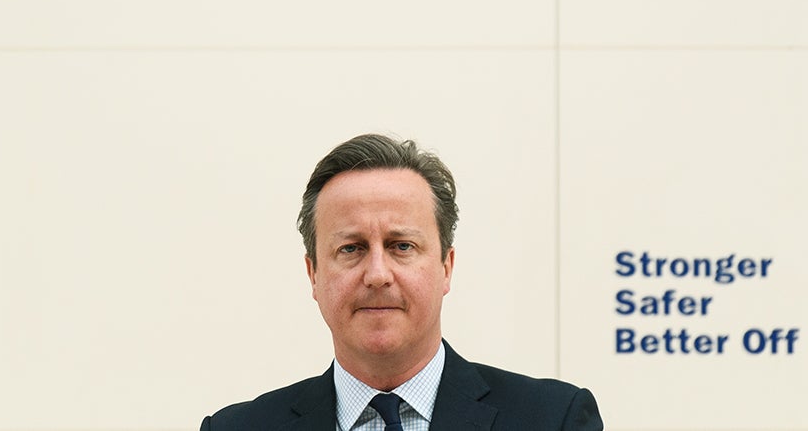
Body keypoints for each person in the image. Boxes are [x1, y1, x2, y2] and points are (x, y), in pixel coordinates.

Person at [201, 133, 602, 430]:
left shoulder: (553, 419)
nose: (377, 274)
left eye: (402, 246)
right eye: (352, 248)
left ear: (447, 266)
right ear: (313, 274)